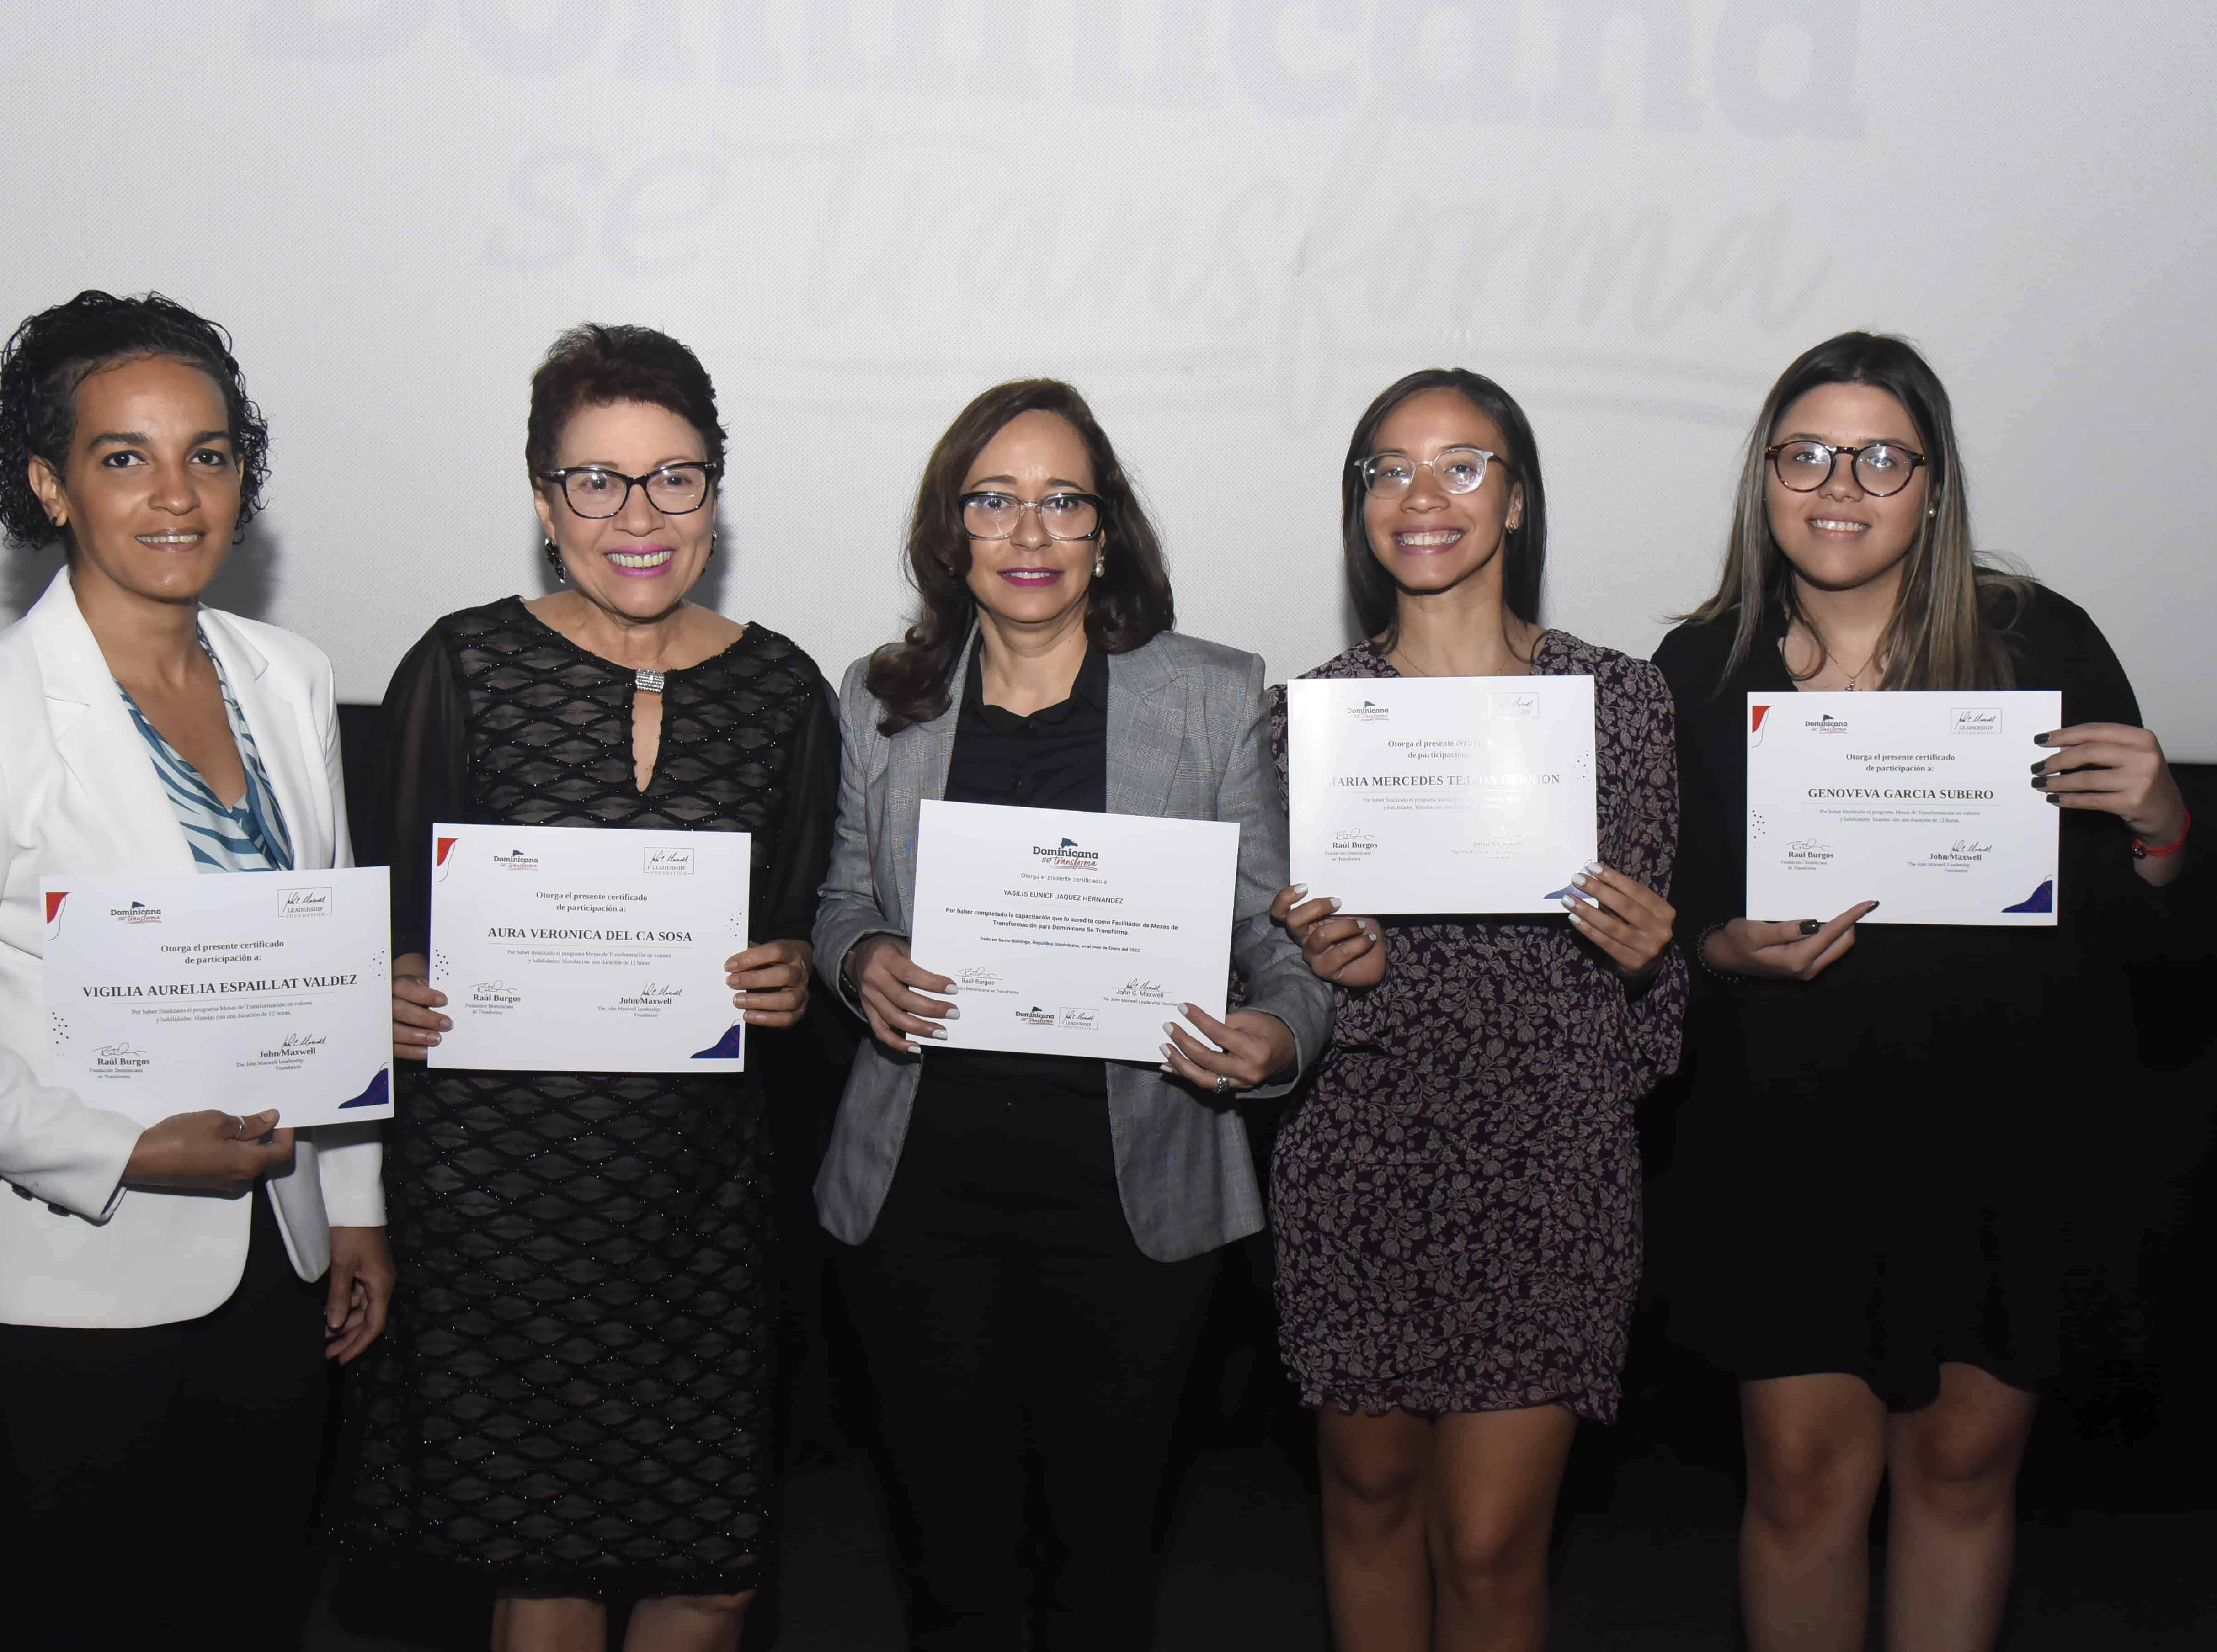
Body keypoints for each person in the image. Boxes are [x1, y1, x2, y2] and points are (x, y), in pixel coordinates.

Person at [0, 290, 390, 1651]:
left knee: (245, 1613)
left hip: (274, 1248)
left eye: (209, 453)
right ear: (49, 483)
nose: (178, 495)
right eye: (124, 457)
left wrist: (358, 1200)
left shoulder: (290, 675)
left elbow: (326, 959)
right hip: (62, 1278)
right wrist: (121, 1148)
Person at [1653, 331, 2196, 1652]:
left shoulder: (2038, 639)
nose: (1841, 483)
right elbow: (1665, 935)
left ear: (1935, 487)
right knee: (1799, 1482)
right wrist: (1724, 952)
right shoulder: (1697, 672)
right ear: (1765, 478)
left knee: (1961, 1476)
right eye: (1807, 454)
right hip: (1790, 1139)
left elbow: (2143, 937)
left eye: (1882, 456)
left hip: (2007, 1136)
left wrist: (2167, 824)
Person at [812, 377, 1334, 1651]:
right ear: (954, 529)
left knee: (1103, 1563)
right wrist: (863, 955)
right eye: (996, 502)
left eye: (1064, 503)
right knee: (953, 1564)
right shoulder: (881, 697)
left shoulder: (1212, 694)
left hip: (1135, 1195)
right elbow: (838, 897)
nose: (1031, 535)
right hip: (921, 1196)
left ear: (1108, 530)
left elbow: (1284, 936)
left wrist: (1282, 1034)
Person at [341, 323, 839, 1652]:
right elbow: (389, 928)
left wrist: (790, 978)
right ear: (543, 496)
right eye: (597, 480)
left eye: (674, 477)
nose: (638, 515)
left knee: (713, 1568)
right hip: (502, 1204)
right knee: (545, 1562)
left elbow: (792, 931)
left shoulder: (784, 689)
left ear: (715, 493)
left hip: (698, 1205)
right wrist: (382, 991)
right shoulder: (463, 667)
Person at [1263, 370, 1686, 1651]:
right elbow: (1266, 1003)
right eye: (1387, 468)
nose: (1422, 496)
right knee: (1369, 1500)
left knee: (1494, 1544)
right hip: (1358, 1156)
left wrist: (1648, 957)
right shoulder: (1300, 722)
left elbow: (1655, 1033)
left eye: (1463, 465)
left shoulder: (1620, 703)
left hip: (1549, 1161)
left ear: (1516, 502)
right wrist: (1316, 979)